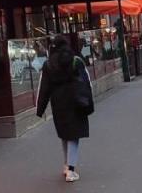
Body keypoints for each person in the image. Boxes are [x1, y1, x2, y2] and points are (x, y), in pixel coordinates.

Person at [36, 35, 92, 183]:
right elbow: (87, 82)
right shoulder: (76, 60)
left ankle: (67, 165)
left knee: (65, 134)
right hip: (76, 102)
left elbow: (44, 89)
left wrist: (40, 109)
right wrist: (89, 103)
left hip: (58, 103)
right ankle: (71, 171)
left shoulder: (48, 65)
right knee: (74, 135)